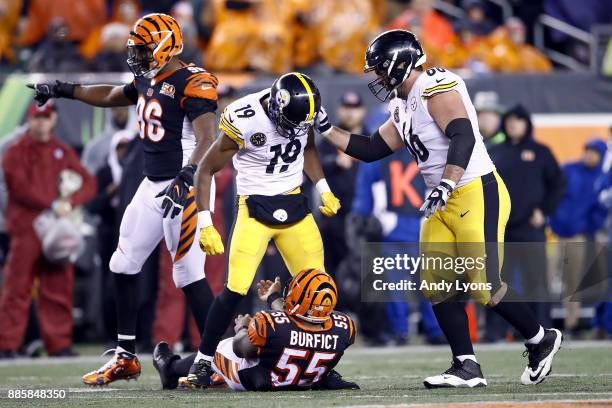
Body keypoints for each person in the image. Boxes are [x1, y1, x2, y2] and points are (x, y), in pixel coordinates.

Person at [316, 29, 563, 388]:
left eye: (382, 69)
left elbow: (461, 134)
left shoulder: (436, 84)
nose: (379, 78)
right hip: (442, 197)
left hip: (474, 189)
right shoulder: (401, 104)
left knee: (483, 285)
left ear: (400, 64)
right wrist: (325, 127)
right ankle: (465, 365)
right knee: (436, 283)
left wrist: (447, 183)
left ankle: (542, 338)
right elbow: (370, 148)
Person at [28, 13, 218, 385]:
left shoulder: (193, 81)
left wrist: (188, 175)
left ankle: (211, 361)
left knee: (189, 275)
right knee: (122, 264)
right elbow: (116, 94)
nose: (138, 57)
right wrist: (64, 90)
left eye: (145, 50)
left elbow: (208, 136)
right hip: (151, 186)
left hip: (183, 186)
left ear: (167, 47)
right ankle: (126, 356)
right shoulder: (149, 75)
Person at [186, 72, 342, 388]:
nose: (294, 130)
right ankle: (203, 362)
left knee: (318, 291)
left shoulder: (303, 112)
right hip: (255, 208)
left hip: (295, 205)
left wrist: (323, 187)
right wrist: (205, 222)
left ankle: (320, 368)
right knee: (235, 289)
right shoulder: (245, 117)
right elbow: (205, 168)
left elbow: (308, 146)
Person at [152, 268, 359, 391]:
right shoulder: (344, 327)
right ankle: (324, 376)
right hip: (306, 378)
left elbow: (242, 349)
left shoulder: (269, 323)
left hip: (259, 380)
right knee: (273, 345)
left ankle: (170, 368)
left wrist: (242, 328)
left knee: (219, 348)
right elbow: (301, 323)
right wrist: (273, 299)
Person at [0, 101, 96, 357]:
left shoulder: (61, 151)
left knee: (58, 286)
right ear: (29, 120)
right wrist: (55, 203)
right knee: (17, 288)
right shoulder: (15, 151)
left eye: (46, 117)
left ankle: (59, 344)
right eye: (37, 118)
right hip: (26, 227)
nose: (41, 122)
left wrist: (71, 202)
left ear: (53, 119)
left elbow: (89, 182)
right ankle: (7, 344)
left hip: (55, 228)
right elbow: (19, 187)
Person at [550, 139, 608, 333]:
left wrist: (589, 227)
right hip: (560, 234)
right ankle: (559, 323)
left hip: (584, 234)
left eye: (594, 152)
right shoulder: (569, 169)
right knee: (558, 278)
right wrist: (554, 220)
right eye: (588, 151)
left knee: (584, 281)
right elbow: (553, 194)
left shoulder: (601, 178)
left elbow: (600, 208)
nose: (589, 155)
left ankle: (584, 323)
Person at [318, 91, 363, 275]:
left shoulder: (372, 138)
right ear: (339, 110)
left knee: (366, 272)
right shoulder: (330, 139)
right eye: (346, 108)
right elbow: (313, 164)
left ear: (362, 110)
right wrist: (334, 162)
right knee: (333, 270)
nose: (350, 113)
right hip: (335, 217)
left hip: (364, 218)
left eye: (355, 108)